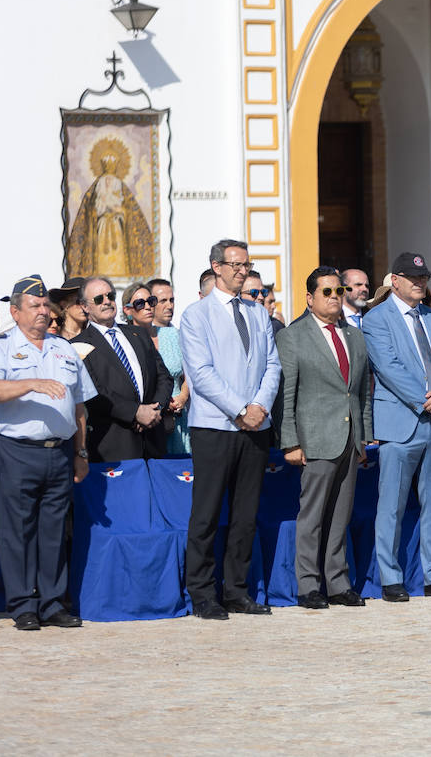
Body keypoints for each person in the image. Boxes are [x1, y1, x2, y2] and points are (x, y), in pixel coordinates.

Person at [179, 239, 282, 619]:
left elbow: (272, 364)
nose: (241, 270)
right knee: (206, 514)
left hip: (255, 426)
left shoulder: (256, 313)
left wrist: (258, 406)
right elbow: (201, 373)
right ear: (216, 267)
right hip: (215, 426)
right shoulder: (196, 315)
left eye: (246, 264)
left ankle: (237, 589)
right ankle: (203, 594)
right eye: (234, 264)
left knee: (245, 514)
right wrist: (240, 408)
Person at [362, 251, 431, 601]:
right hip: (401, 421)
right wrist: (429, 398)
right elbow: (388, 368)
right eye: (413, 278)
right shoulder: (376, 319)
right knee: (391, 503)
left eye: (423, 278)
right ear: (395, 280)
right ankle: (391, 578)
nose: (420, 283)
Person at [0, 276, 94, 630]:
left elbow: (80, 404)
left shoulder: (64, 348)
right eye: (34, 306)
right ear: (15, 312)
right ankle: (23, 604)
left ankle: (53, 602)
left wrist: (81, 451)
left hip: (60, 451)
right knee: (18, 530)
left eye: (44, 306)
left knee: (53, 530)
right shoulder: (3, 347)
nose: (42, 311)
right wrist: (31, 384)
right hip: (17, 450)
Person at [278, 267, 374, 609]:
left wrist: (365, 436)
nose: (335, 297)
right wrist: (290, 441)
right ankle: (308, 585)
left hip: (350, 439)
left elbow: (361, 390)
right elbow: (287, 393)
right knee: (313, 515)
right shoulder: (293, 336)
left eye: (338, 291)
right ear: (310, 298)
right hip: (315, 438)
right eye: (327, 292)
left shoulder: (354, 335)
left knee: (340, 515)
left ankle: (338, 581)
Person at [71, 276, 171, 463]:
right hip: (115, 446)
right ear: (85, 306)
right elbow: (94, 392)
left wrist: (154, 410)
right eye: (99, 299)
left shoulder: (138, 334)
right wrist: (135, 412)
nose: (107, 301)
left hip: (153, 441)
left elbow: (163, 377)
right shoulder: (78, 345)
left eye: (110, 295)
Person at [147, 277, 191, 456]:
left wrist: (183, 395)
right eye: (162, 300)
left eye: (171, 300)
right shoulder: (139, 335)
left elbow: (191, 371)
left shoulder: (178, 335)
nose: (169, 305)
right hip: (150, 415)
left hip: (177, 416)